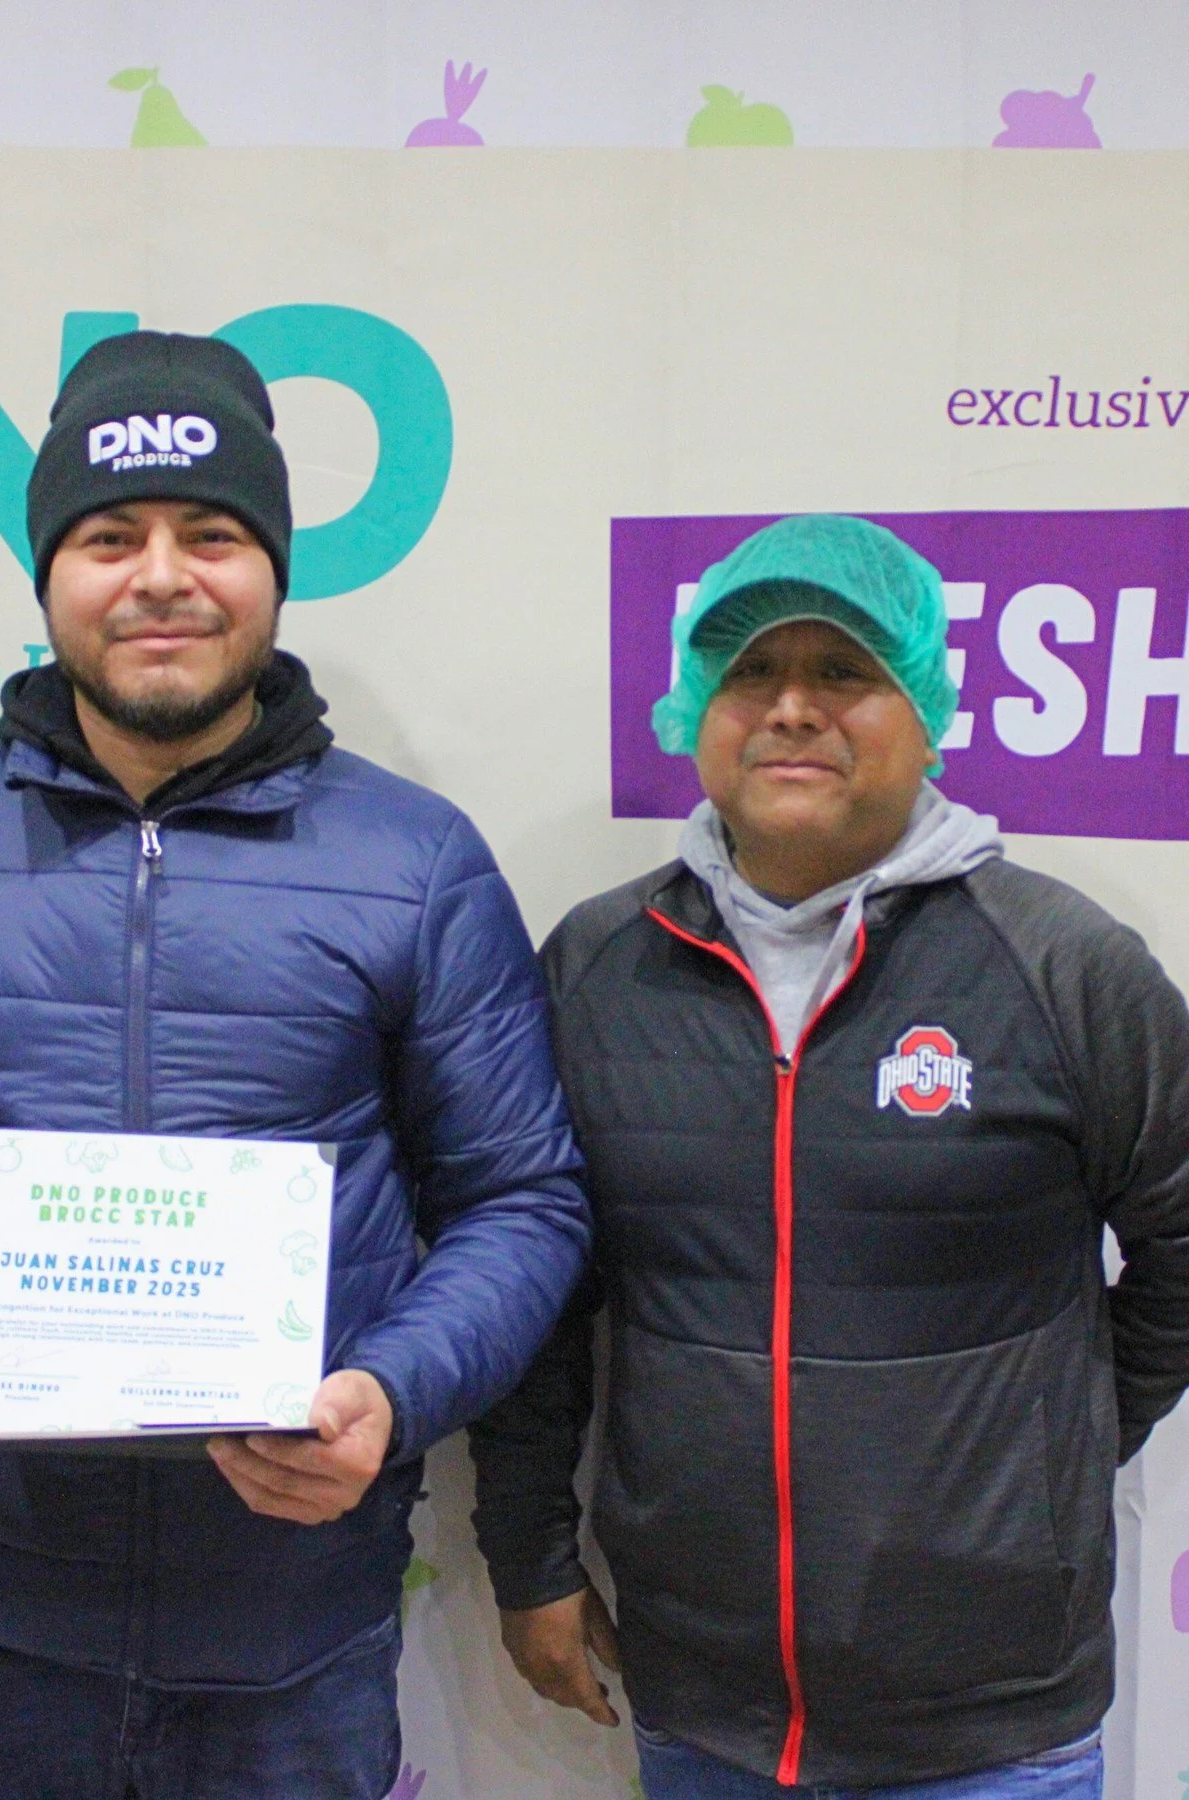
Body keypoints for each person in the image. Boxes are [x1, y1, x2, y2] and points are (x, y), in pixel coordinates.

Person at [0, 330, 590, 1800]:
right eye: (107, 535)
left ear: (271, 569)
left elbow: (525, 1200)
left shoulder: (416, 863)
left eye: (212, 533)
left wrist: (389, 1389)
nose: (160, 576)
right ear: (47, 575)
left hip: (292, 1640)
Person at [469, 513, 1189, 1797]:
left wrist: (1051, 1454)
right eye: (753, 672)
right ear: (700, 708)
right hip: (703, 1705)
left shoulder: (1067, 969)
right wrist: (529, 1563)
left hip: (992, 1725)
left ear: (926, 711)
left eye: (844, 672)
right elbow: (536, 1290)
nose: (793, 708)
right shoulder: (598, 966)